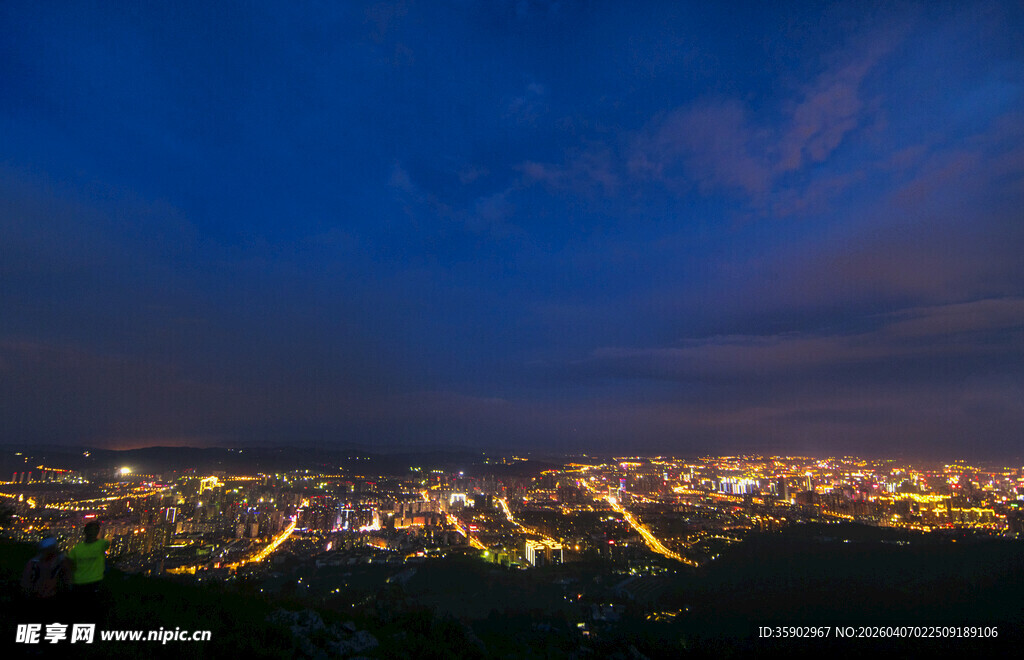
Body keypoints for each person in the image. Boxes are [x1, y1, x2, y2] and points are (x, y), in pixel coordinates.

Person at [20, 536, 73, 623]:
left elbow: (67, 575)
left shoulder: (58, 561)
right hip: (37, 596)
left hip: (51, 596)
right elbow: (26, 582)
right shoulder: (34, 563)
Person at [67, 521, 110, 596]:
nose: (93, 533)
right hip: (87, 582)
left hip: (87, 582)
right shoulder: (102, 544)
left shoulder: (77, 549)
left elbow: (69, 566)